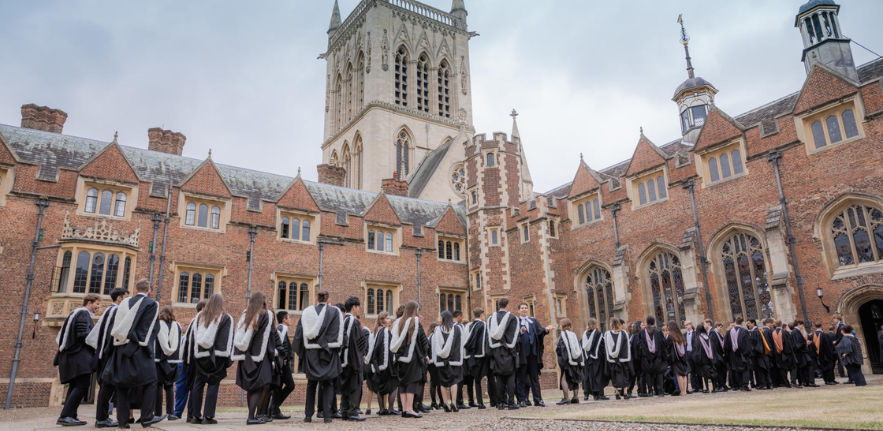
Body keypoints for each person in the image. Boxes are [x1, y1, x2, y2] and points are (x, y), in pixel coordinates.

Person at [105, 279, 166, 428]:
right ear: (149, 290)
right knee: (150, 382)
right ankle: (146, 418)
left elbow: (118, 324)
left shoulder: (125, 302)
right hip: (140, 348)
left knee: (123, 384)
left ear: (134, 289)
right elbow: (149, 328)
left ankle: (122, 421)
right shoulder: (152, 304)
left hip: (122, 348)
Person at [292, 290, 343, 423]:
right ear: (328, 299)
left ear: (316, 299)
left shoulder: (307, 313)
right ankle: (327, 416)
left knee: (311, 384)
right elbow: (339, 332)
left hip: (311, 353)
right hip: (329, 352)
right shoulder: (335, 312)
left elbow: (299, 334)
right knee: (328, 384)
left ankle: (308, 416)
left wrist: (303, 354)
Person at [55, 294, 100, 426]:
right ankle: (65, 415)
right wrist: (96, 345)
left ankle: (71, 415)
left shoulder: (77, 313)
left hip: (74, 355)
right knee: (83, 384)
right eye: (97, 304)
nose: (98, 307)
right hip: (78, 355)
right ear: (90, 302)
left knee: (75, 385)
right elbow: (83, 334)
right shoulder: (83, 314)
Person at [233, 292, 277, 425]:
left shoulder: (245, 314)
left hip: (245, 356)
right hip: (260, 356)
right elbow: (268, 338)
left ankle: (252, 415)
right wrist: (272, 357)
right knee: (258, 386)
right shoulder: (266, 314)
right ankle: (251, 417)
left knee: (251, 387)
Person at [87, 288, 128, 428]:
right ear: (120, 298)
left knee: (107, 386)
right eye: (126, 297)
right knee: (107, 386)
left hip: (104, 353)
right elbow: (112, 334)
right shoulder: (115, 311)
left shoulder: (109, 311)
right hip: (108, 354)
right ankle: (102, 418)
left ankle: (102, 417)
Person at [190, 293, 234, 424]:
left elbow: (194, 337)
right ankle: (208, 416)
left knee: (198, 384)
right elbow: (227, 338)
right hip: (217, 357)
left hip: (200, 356)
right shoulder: (226, 317)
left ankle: (195, 416)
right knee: (213, 385)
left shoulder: (200, 317)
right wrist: (227, 358)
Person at [390, 300, 430, 419]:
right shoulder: (415, 321)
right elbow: (423, 341)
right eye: (417, 309)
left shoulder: (399, 322)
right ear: (414, 310)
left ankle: (404, 409)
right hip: (412, 357)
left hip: (400, 358)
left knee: (403, 383)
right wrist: (425, 354)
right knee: (412, 382)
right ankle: (410, 409)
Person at [515, 302, 553, 407]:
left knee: (534, 377)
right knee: (521, 378)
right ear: (518, 310)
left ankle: (537, 399)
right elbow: (512, 335)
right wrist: (521, 332)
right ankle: (522, 400)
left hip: (533, 353)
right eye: (522, 308)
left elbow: (539, 331)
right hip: (522, 354)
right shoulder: (516, 322)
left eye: (525, 308)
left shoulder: (533, 321)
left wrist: (546, 329)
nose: (524, 309)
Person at [174, 300, 206, 420]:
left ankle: (182, 413)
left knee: (188, 387)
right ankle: (185, 413)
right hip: (188, 361)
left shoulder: (194, 322)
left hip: (185, 360)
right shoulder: (198, 322)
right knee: (189, 386)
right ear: (203, 309)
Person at [488, 297, 521, 410]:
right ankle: (511, 403)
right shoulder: (512, 318)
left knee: (500, 378)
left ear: (498, 305)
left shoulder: (491, 318)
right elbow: (515, 336)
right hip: (509, 350)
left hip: (497, 351)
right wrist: (517, 349)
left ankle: (500, 403)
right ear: (507, 306)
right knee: (511, 377)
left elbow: (489, 336)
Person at [431, 311, 465, 412]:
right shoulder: (457, 328)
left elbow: (435, 344)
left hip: (442, 359)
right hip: (454, 359)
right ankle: (454, 403)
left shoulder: (438, 329)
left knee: (443, 381)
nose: (439, 319)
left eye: (440, 317)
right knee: (453, 381)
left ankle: (445, 403)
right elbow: (460, 344)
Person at [339, 297, 366, 421]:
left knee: (346, 386)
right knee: (355, 385)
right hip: (352, 359)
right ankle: (352, 412)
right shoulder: (352, 321)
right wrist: (358, 361)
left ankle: (344, 411)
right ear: (354, 307)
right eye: (358, 307)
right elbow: (355, 344)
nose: (359, 309)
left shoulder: (344, 320)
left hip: (344, 360)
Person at [367, 311, 398, 415]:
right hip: (387, 364)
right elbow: (388, 349)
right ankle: (391, 408)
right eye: (388, 318)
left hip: (379, 365)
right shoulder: (385, 331)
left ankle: (382, 409)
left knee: (381, 386)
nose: (390, 320)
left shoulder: (378, 332)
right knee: (393, 385)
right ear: (382, 321)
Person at [154, 306, 183, 421]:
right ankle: (171, 413)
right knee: (169, 387)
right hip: (173, 360)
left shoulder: (157, 324)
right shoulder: (178, 326)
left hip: (159, 359)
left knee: (158, 386)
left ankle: (157, 413)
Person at [464, 308, 490, 409]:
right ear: (482, 315)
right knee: (486, 377)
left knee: (477, 380)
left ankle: (480, 402)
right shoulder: (482, 324)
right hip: (481, 355)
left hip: (472, 355)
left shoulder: (470, 325)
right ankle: (491, 401)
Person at [270, 310, 294, 420]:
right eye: (289, 318)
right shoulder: (282, 328)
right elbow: (279, 344)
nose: (290, 320)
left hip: (282, 362)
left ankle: (274, 409)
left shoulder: (281, 328)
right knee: (290, 385)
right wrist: (284, 358)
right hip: (283, 363)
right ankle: (273, 408)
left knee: (278, 386)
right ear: (284, 320)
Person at [555, 318, 584, 405]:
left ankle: (566, 398)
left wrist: (562, 361)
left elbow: (561, 349)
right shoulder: (574, 335)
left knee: (564, 378)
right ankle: (575, 397)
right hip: (576, 360)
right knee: (575, 378)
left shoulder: (563, 335)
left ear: (562, 326)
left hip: (567, 361)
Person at [636, 316, 666, 397]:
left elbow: (639, 345)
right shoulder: (658, 331)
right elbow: (663, 345)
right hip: (657, 357)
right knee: (659, 374)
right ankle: (660, 391)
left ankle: (650, 391)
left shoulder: (642, 332)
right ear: (654, 322)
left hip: (646, 357)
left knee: (648, 374)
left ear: (647, 322)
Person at [603, 317, 632, 401]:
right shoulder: (624, 333)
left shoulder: (607, 334)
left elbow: (607, 347)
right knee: (625, 375)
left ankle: (616, 392)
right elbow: (626, 346)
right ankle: (626, 392)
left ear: (612, 324)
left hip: (612, 360)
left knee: (613, 375)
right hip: (622, 359)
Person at [581, 318, 608, 401]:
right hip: (597, 359)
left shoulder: (585, 334)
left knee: (587, 376)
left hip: (587, 359)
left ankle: (586, 394)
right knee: (597, 376)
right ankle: (598, 394)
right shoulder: (598, 333)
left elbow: (582, 346)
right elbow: (602, 346)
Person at [452, 310, 474, 410]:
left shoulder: (448, 326)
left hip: (451, 357)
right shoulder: (459, 326)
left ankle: (455, 401)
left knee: (454, 380)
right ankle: (459, 401)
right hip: (460, 356)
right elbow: (465, 341)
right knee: (459, 380)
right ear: (459, 316)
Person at [723, 316, 750, 392]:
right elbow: (747, 344)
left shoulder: (729, 332)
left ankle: (740, 385)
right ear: (742, 323)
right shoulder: (744, 331)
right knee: (745, 369)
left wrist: (728, 354)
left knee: (736, 369)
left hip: (733, 354)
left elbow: (726, 345)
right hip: (742, 354)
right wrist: (747, 353)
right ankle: (744, 385)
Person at [770, 320, 797, 388]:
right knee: (793, 367)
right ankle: (793, 382)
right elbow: (789, 343)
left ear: (775, 325)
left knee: (782, 368)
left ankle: (786, 383)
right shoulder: (785, 332)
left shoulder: (772, 333)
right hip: (787, 353)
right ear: (781, 325)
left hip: (777, 354)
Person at [746, 319, 771, 390]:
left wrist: (752, 352)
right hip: (762, 353)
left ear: (753, 323)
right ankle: (768, 384)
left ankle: (763, 384)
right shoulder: (759, 331)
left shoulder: (755, 332)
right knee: (764, 368)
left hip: (758, 354)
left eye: (749, 323)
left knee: (760, 369)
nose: (748, 325)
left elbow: (754, 343)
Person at [665, 320, 688, 396]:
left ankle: (681, 391)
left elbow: (667, 347)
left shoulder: (671, 336)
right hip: (682, 357)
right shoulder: (681, 335)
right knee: (684, 374)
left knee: (678, 374)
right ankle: (684, 391)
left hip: (675, 358)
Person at [691, 322, 715, 393]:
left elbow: (696, 349)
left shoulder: (698, 338)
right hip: (710, 358)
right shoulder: (708, 337)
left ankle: (707, 388)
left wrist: (694, 357)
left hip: (703, 359)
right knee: (712, 372)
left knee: (705, 374)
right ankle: (714, 388)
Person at [791, 320, 815, 387]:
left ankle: (807, 382)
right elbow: (797, 343)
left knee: (804, 367)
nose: (802, 327)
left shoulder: (795, 331)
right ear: (799, 324)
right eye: (802, 325)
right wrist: (805, 343)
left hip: (800, 352)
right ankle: (810, 382)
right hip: (801, 353)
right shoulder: (796, 331)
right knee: (809, 365)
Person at [627, 321, 643, 398]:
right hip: (636, 360)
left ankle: (639, 391)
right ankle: (630, 391)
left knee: (636, 376)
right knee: (635, 376)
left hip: (634, 359)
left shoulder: (634, 335)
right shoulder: (636, 336)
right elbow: (636, 348)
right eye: (642, 325)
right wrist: (638, 358)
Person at [832, 314, 846, 379]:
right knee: (840, 360)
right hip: (839, 344)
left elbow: (841, 336)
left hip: (841, 344)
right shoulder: (838, 326)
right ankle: (842, 373)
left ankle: (842, 373)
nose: (833, 320)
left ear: (838, 319)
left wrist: (836, 341)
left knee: (842, 359)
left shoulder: (841, 325)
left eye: (834, 319)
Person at [683, 321, 696, 393]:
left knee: (695, 371)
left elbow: (696, 343)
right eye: (685, 325)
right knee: (690, 371)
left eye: (688, 325)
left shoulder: (695, 333)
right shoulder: (684, 334)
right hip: (687, 353)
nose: (686, 326)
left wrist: (694, 352)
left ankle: (698, 386)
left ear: (691, 325)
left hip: (693, 353)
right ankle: (693, 386)